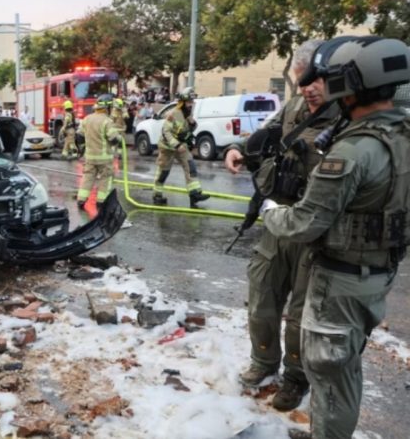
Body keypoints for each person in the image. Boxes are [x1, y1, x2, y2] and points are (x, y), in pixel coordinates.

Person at [260, 36, 410, 439]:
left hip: (340, 282)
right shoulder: (401, 136)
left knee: (329, 379)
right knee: (344, 369)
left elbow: (305, 223)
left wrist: (271, 212)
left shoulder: (355, 151)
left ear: (351, 85)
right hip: (377, 273)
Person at [223, 39, 340, 412]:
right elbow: (266, 134)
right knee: (262, 296)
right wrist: (238, 149)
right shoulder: (293, 108)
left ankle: (295, 377)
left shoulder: (347, 117)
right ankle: (263, 361)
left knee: (302, 314)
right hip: (278, 218)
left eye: (314, 80)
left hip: (316, 230)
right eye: (301, 81)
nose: (307, 89)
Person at [152, 87, 209, 208]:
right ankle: (157, 195)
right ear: (182, 102)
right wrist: (176, 145)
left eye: (192, 102)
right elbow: (165, 132)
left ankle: (194, 194)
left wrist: (192, 123)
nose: (191, 104)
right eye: (189, 102)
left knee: (190, 167)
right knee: (163, 172)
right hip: (168, 147)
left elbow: (188, 129)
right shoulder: (173, 114)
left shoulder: (188, 114)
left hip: (182, 146)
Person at [76, 94, 124, 209]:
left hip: (90, 157)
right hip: (104, 159)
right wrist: (120, 139)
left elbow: (79, 137)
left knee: (88, 177)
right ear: (107, 107)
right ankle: (101, 202)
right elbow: (113, 138)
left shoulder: (87, 119)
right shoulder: (107, 121)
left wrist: (83, 148)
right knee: (106, 178)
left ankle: (81, 200)